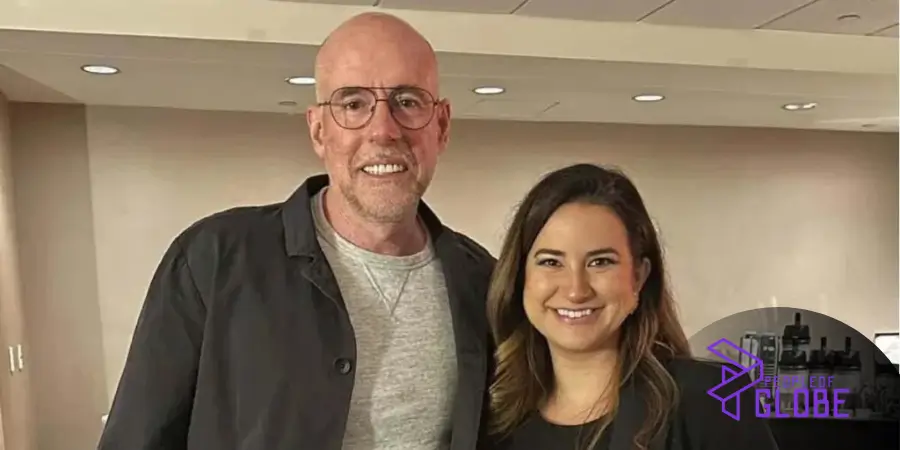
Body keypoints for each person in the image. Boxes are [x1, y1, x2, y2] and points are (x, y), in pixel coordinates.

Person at [98, 12, 496, 450]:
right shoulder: (213, 260)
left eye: (407, 101)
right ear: (318, 130)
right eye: (352, 103)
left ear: (440, 126)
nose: (383, 129)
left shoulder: (484, 284)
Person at [483, 164, 779, 450]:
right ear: (520, 276)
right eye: (551, 262)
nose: (576, 290)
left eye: (601, 262)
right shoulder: (491, 418)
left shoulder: (713, 395)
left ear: (639, 276)